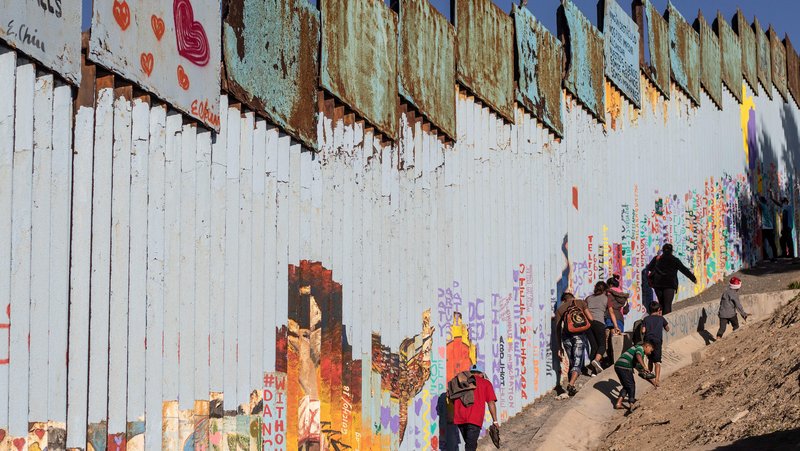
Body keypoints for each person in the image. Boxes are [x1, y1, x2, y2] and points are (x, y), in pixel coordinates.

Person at [452, 364, 498, 451]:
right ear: (481, 374)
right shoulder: (486, 383)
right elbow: (491, 402)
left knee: (470, 444)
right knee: (470, 446)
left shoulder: (460, 381)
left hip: (460, 418)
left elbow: (452, 397)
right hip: (474, 419)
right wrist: (495, 420)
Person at [555, 292, 594, 396]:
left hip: (566, 338)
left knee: (572, 362)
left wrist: (559, 347)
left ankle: (571, 389)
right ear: (573, 297)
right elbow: (591, 318)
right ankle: (571, 384)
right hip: (579, 336)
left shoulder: (560, 309)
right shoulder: (580, 302)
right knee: (578, 362)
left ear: (563, 300)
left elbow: (557, 329)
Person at [645, 243, 697, 314]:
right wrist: (693, 279)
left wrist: (656, 261)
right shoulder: (675, 260)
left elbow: (649, 268)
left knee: (661, 304)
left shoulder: (657, 258)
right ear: (671, 251)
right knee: (667, 305)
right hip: (670, 285)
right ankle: (666, 320)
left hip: (658, 285)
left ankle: (661, 319)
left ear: (663, 250)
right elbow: (684, 270)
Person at [613, 341, 656, 410]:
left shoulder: (636, 353)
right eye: (650, 350)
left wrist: (654, 383)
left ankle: (618, 403)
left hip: (618, 366)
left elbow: (643, 373)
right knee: (631, 385)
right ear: (647, 346)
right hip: (625, 366)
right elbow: (638, 355)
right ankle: (631, 404)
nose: (650, 353)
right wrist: (644, 367)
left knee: (626, 386)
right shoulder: (640, 348)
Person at [641, 302, 670, 387]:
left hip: (648, 341)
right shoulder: (661, 318)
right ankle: (657, 380)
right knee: (657, 361)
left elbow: (643, 331)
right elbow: (667, 328)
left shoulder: (646, 319)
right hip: (657, 341)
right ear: (658, 309)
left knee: (650, 359)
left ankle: (650, 375)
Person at [584, 281, 609, 375]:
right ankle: (597, 361)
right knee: (602, 346)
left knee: (594, 347)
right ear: (605, 289)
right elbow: (609, 311)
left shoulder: (588, 298)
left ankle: (594, 372)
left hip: (588, 324)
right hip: (599, 323)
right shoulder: (606, 298)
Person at [758, 194, 779, 261]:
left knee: (763, 242)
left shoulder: (764, 206)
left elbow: (758, 203)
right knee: (771, 242)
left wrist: (757, 196)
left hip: (766, 228)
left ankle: (768, 256)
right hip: (769, 227)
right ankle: (773, 256)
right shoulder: (766, 206)